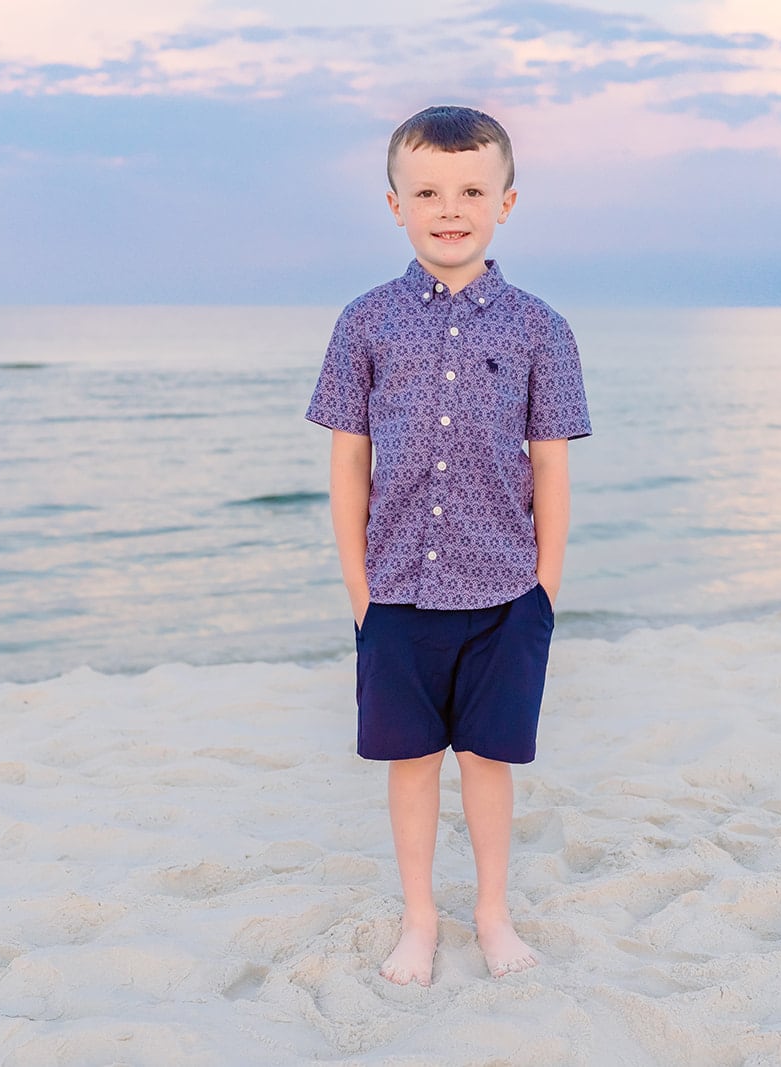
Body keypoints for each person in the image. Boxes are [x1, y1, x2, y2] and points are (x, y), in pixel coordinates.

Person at [304, 104, 592, 986]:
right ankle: (419, 918)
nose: (450, 206)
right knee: (412, 765)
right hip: (394, 594)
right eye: (427, 190)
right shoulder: (365, 321)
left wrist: (543, 590)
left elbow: (551, 472)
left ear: (507, 200)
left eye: (472, 189)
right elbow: (349, 466)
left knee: (491, 766)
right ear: (396, 204)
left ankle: (492, 912)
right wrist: (360, 593)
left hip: (506, 594)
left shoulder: (541, 326)